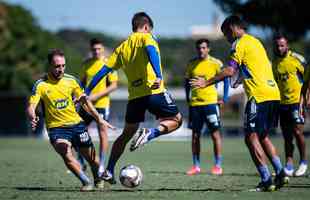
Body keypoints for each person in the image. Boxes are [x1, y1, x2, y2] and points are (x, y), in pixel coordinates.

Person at [190, 15, 288, 192]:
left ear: (233, 28)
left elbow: (229, 70)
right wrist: (240, 79)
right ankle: (281, 172)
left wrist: (206, 82)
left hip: (258, 95)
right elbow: (257, 66)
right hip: (273, 93)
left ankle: (266, 179)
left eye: (226, 33)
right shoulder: (256, 42)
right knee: (263, 135)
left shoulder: (239, 43)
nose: (227, 38)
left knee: (250, 138)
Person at [86, 12, 182, 184]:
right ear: (146, 27)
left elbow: (103, 71)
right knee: (177, 119)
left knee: (126, 135)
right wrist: (159, 76)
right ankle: (150, 133)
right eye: (150, 29)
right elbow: (152, 51)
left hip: (135, 98)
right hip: (154, 92)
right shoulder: (147, 38)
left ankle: (108, 170)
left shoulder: (121, 48)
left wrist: (87, 90)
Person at [27, 49, 115, 191]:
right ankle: (86, 182)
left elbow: (85, 101)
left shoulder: (71, 80)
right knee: (65, 151)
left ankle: (98, 177)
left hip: (77, 125)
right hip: (56, 128)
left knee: (93, 160)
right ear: (49, 65)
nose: (61, 69)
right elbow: (31, 106)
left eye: (63, 65)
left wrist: (99, 119)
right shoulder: (41, 84)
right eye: (57, 66)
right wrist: (32, 116)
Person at [185, 38, 229, 176]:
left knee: (215, 134)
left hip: (210, 103)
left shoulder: (216, 63)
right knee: (195, 136)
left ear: (208, 49)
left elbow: (226, 78)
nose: (201, 50)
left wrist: (225, 98)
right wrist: (188, 98)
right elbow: (187, 83)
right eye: (199, 48)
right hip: (195, 104)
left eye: (204, 48)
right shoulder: (191, 64)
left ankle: (218, 165)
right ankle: (196, 166)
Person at [77, 38, 118, 177]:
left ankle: (101, 164)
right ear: (90, 49)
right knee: (79, 132)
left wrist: (96, 96)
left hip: (102, 105)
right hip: (85, 105)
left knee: (103, 134)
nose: (96, 51)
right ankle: (81, 162)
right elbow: (81, 83)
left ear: (102, 49)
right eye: (94, 49)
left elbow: (113, 85)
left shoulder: (108, 64)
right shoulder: (86, 64)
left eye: (99, 49)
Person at [272, 34, 308, 177]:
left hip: (296, 102)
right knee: (287, 136)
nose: (279, 48)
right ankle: (289, 164)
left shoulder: (297, 59)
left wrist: (306, 98)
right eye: (277, 46)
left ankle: (304, 162)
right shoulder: (274, 63)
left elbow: (308, 78)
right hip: (282, 104)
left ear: (287, 46)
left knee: (297, 132)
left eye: (282, 45)